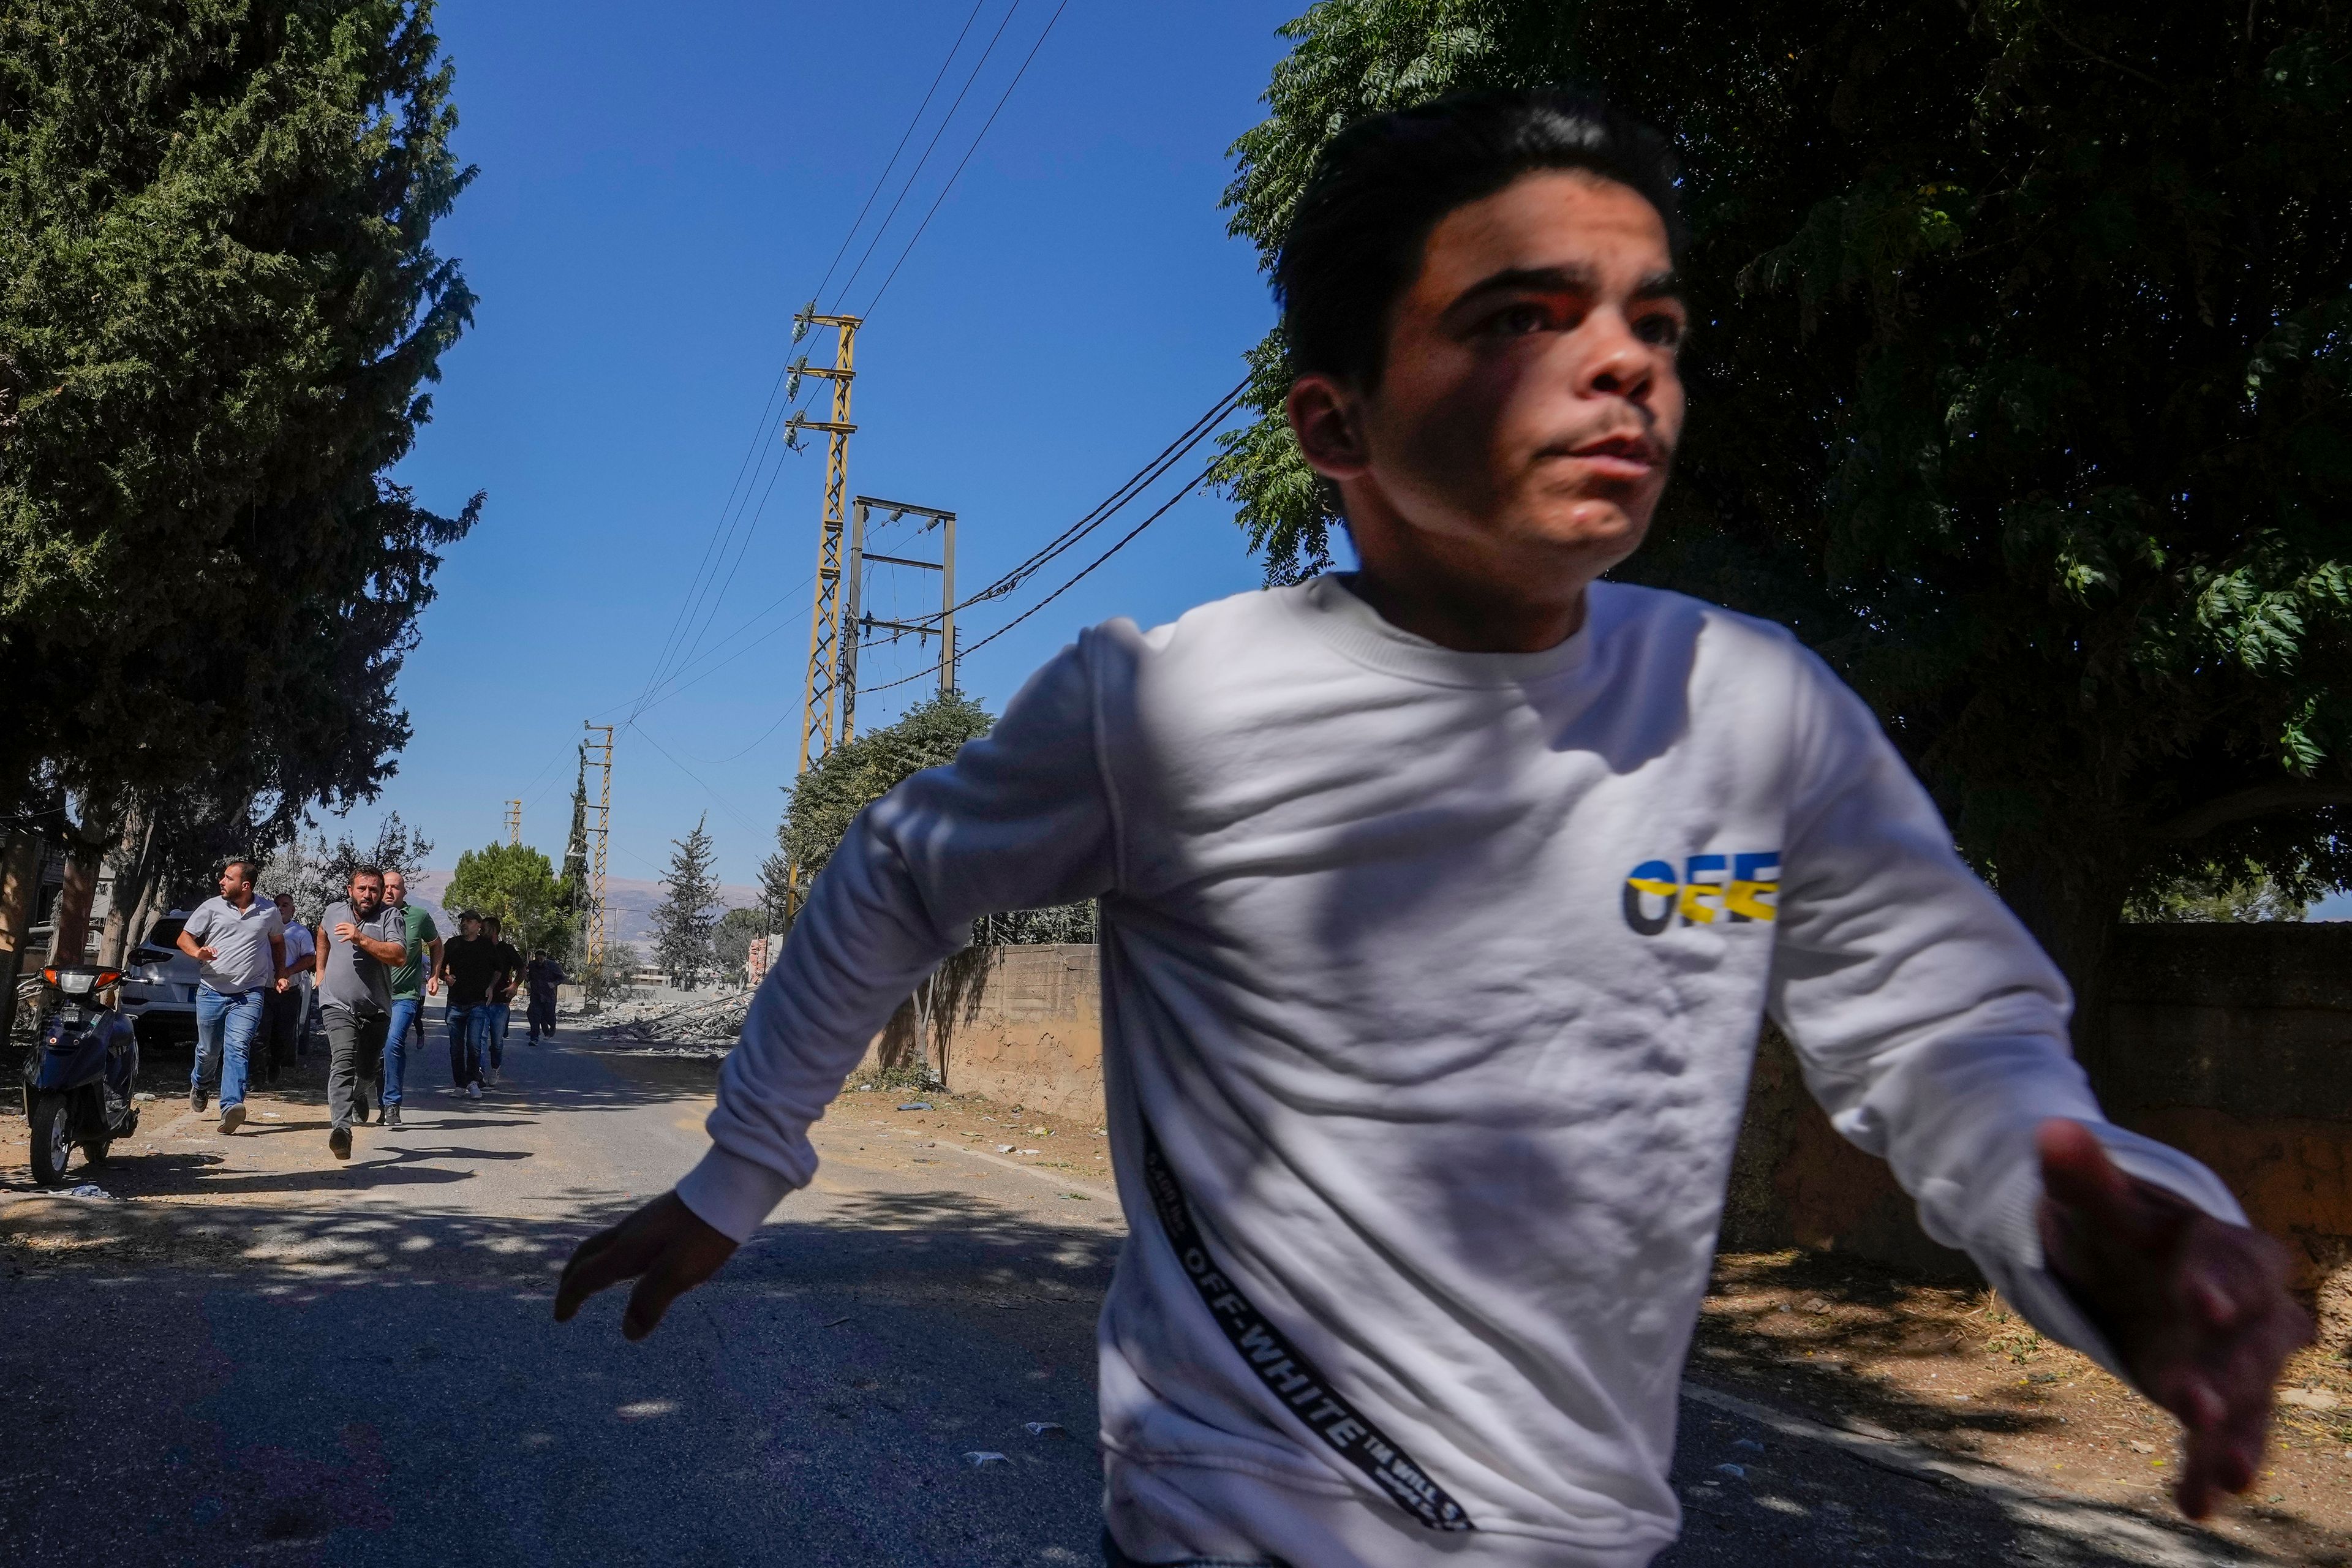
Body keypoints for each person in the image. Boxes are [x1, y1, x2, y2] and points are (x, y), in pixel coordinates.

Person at [554, 90, 2311, 1567]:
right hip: (1233, 1524)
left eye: (1654, 321)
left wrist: (2095, 1221)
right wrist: (739, 1173)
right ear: (1342, 424)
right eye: (1519, 320)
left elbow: (1950, 1038)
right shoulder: (1162, 707)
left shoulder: (1757, 708)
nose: (1622, 364)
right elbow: (886, 886)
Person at [178, 858, 287, 1134]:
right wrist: (197, 952)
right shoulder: (212, 907)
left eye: (228, 878)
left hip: (250, 992)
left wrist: (280, 973)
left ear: (245, 885)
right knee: (208, 1050)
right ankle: (200, 1084)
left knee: (238, 1047)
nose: (221, 882)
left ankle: (231, 1108)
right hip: (212, 991)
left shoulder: (268, 912)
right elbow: (184, 938)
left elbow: (277, 942)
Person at [312, 865, 407, 1153]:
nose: (368, 895)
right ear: (350, 890)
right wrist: (320, 971)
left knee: (367, 1069)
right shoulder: (333, 912)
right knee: (342, 1062)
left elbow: (399, 956)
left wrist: (361, 938)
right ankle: (341, 1130)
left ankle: (360, 1092)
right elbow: (322, 934)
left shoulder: (389, 917)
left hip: (375, 1008)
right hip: (336, 1002)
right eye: (362, 889)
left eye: (374, 890)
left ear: (381, 893)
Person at [381, 869, 441, 1122]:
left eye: (395, 887)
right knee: (372, 1051)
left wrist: (435, 975)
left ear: (404, 892)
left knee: (393, 1042)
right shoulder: (369, 916)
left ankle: (392, 1103)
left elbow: (436, 945)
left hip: (405, 995)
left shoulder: (419, 916)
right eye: (385, 887)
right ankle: (365, 1093)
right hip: (372, 996)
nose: (389, 891)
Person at [436, 911, 499, 1100]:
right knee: (456, 1047)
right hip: (455, 1004)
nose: (464, 924)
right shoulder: (453, 944)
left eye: (469, 921)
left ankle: (472, 1081)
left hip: (478, 1003)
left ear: (478, 925)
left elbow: (498, 969)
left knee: (474, 1045)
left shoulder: (487, 946)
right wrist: (445, 977)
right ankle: (459, 1085)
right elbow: (439, 966)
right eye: (463, 921)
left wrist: (491, 988)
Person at [261, 891, 315, 1082]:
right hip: (263, 989)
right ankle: (256, 1076)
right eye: (278, 905)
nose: (281, 908)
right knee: (260, 1032)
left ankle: (276, 1063)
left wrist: (287, 972)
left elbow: (310, 958)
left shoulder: (300, 932)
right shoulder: (263, 930)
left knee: (283, 1034)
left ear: (292, 910)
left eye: (285, 905)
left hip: (289, 991)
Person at [481, 914, 522, 1086]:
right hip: (480, 1002)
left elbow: (522, 969)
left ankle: (495, 1068)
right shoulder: (479, 948)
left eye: (484, 928)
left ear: (493, 930)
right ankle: (480, 1072)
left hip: (500, 1002)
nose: (481, 931)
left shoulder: (506, 949)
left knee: (497, 1042)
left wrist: (514, 986)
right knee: (480, 1040)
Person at [524, 949, 565, 1044]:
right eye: (538, 959)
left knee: (548, 1016)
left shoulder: (552, 966)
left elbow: (562, 977)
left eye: (541, 959)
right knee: (533, 1014)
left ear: (545, 958)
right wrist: (526, 977)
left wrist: (554, 984)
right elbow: (528, 976)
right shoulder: (532, 965)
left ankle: (552, 1028)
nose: (539, 961)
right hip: (536, 995)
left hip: (548, 996)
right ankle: (534, 1037)